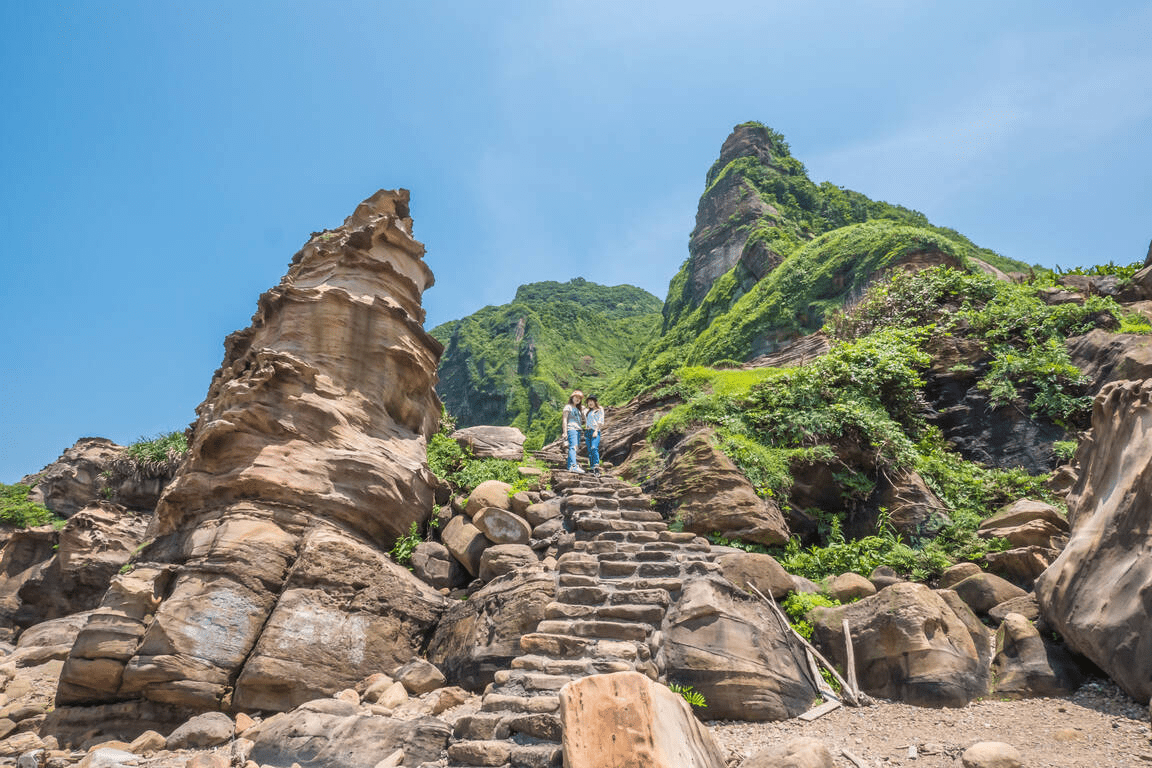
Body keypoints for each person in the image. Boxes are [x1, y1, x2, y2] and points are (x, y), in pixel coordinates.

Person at [562, 390, 586, 472]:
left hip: (578, 429)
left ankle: (570, 466)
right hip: (571, 429)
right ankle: (573, 466)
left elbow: (584, 419)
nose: (578, 399)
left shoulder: (578, 409)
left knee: (574, 447)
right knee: (573, 447)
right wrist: (565, 432)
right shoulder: (568, 407)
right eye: (576, 397)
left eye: (579, 398)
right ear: (572, 397)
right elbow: (564, 420)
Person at [583, 395, 604, 473]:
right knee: (589, 450)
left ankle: (596, 466)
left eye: (591, 401)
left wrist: (596, 430)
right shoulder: (588, 411)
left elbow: (600, 421)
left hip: (595, 431)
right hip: (587, 432)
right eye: (588, 402)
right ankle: (592, 467)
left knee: (594, 448)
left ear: (595, 402)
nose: (590, 403)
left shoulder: (599, 409)